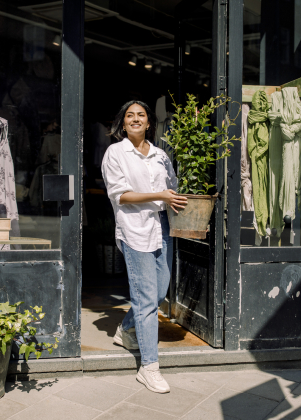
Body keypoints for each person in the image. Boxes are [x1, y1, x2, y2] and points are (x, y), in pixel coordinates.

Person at [101, 101, 187, 393]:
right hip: (134, 230)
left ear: (149, 123)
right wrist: (160, 195)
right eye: (129, 116)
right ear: (123, 124)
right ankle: (149, 367)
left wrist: (172, 197)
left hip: (161, 226)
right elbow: (120, 195)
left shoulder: (161, 154)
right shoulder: (116, 153)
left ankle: (125, 330)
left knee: (159, 291)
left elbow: (171, 189)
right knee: (147, 297)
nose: (135, 119)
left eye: (141, 115)